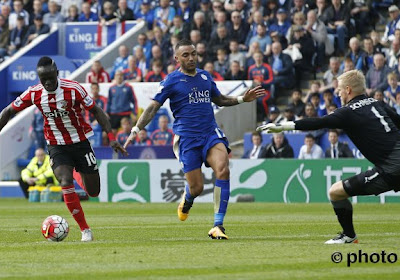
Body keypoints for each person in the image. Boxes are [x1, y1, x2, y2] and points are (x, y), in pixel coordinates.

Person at [123, 39, 264, 239]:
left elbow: (220, 99)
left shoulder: (205, 77)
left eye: (193, 54)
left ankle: (218, 225)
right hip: (187, 139)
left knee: (223, 170)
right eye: (186, 55)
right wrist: (136, 129)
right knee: (196, 188)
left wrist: (242, 99)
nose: (191, 58)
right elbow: (154, 106)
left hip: (209, 134)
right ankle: (187, 199)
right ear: (177, 58)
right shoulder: (171, 80)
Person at [257, 69, 400, 244]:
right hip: (393, 164)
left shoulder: (347, 112)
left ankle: (349, 236)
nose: (337, 93)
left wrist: (283, 126)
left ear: (348, 90)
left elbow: (319, 122)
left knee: (336, 192)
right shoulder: (378, 104)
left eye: (339, 89)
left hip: (392, 169)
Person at [0, 57, 127, 241]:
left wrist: (112, 137)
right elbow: (8, 111)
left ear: (57, 73)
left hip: (80, 142)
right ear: (39, 78)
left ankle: (77, 171)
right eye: (44, 79)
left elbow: (96, 111)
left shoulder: (73, 89)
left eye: (51, 77)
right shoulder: (34, 93)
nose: (48, 82)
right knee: (64, 180)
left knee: (93, 192)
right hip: (56, 144)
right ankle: (85, 230)